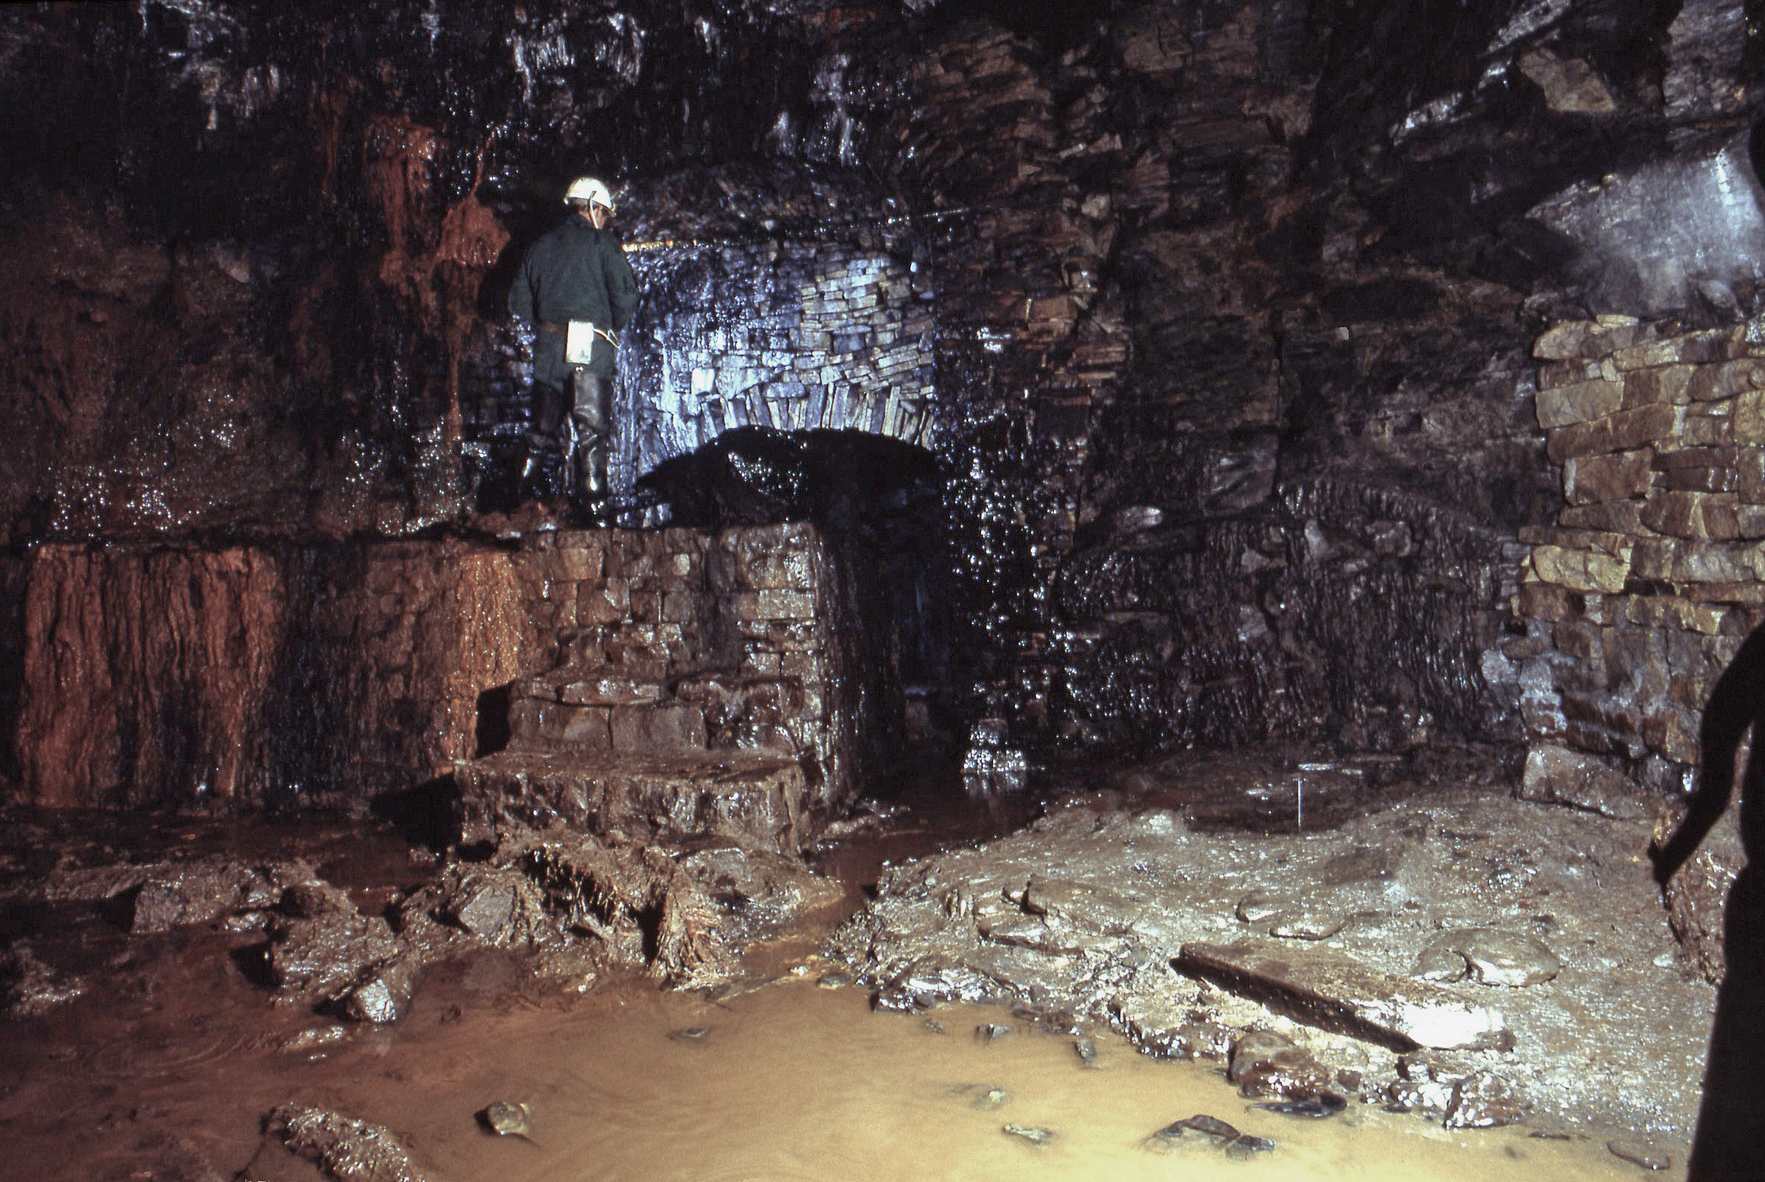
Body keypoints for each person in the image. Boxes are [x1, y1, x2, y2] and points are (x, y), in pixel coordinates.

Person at [508, 176, 638, 523]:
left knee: (539, 434)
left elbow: (517, 301)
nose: (606, 220)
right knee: (591, 436)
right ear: (594, 207)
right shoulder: (603, 244)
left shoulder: (540, 246)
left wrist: (551, 324)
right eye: (605, 213)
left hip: (549, 351)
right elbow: (625, 299)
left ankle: (514, 504)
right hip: (590, 350)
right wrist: (608, 324)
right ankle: (597, 515)